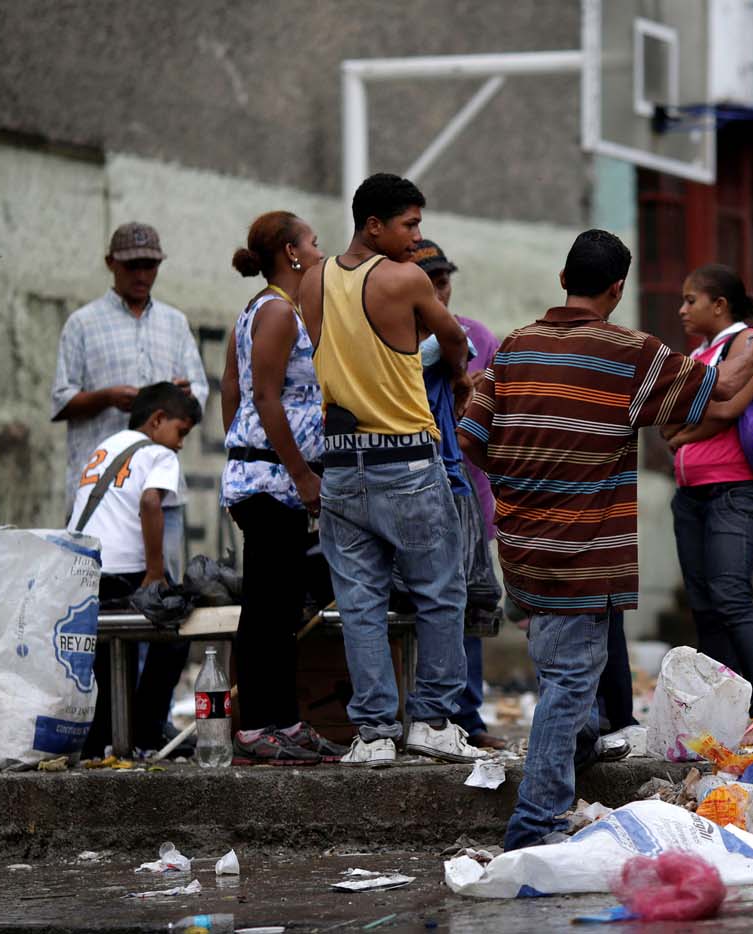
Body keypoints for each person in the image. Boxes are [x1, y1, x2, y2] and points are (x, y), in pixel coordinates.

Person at [458, 230, 753, 849]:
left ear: (563, 279)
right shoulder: (630, 353)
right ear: (617, 289)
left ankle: (589, 737)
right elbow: (722, 392)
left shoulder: (512, 348)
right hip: (585, 550)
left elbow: (469, 439)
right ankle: (534, 825)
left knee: (570, 672)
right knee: (567, 682)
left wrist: (524, 487)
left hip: (521, 548)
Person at [298, 173, 487, 767]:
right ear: (373, 225)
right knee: (439, 593)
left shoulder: (311, 282)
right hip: (405, 459)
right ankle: (431, 721)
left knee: (359, 604)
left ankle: (374, 733)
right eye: (409, 224)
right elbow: (454, 337)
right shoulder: (404, 280)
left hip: (341, 466)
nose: (417, 238)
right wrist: (457, 377)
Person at [219, 211, 346, 765]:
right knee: (266, 609)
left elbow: (231, 391)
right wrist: (297, 471)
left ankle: (287, 722)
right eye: (313, 243)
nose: (320, 250)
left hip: (270, 477)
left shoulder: (269, 310)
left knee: (281, 606)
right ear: (292, 254)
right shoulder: (275, 312)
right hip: (273, 482)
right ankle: (256, 729)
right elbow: (263, 398)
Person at [663, 263, 753, 741]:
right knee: (704, 605)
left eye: (690, 299)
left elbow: (725, 408)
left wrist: (680, 435)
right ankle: (725, 713)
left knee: (731, 597)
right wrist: (679, 427)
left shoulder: (750, 344)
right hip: (691, 494)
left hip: (734, 490)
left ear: (719, 305)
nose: (682, 309)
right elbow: (668, 414)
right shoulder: (700, 353)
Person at [50, 221, 209, 581]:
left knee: (161, 593)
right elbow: (61, 399)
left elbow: (199, 393)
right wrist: (107, 397)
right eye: (131, 265)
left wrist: (183, 400)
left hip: (160, 489)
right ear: (111, 263)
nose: (141, 274)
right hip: (100, 494)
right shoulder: (82, 324)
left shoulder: (175, 323)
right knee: (95, 593)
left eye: (149, 265)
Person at [68, 382, 201, 758]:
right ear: (158, 420)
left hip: (84, 569)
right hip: (125, 570)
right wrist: (156, 573)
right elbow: (149, 502)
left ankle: (99, 743)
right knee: (177, 631)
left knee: (108, 660)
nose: (180, 443)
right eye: (181, 432)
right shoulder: (160, 454)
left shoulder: (106, 446)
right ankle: (147, 730)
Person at [410, 240, 506, 750]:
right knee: (422, 603)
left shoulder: (478, 337)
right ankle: (423, 715)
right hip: (412, 493)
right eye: (429, 281)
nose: (439, 289)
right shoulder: (393, 336)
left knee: (466, 600)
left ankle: (466, 715)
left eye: (444, 279)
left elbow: (493, 411)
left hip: (468, 488)